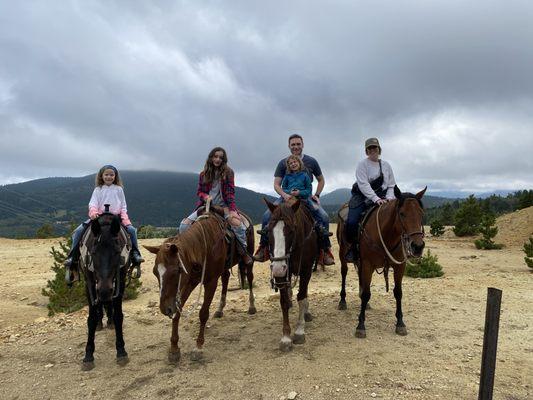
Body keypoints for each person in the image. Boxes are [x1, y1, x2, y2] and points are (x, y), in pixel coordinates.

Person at [254, 134, 335, 266]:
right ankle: (263, 247)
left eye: (298, 144)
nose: (296, 147)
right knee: (266, 216)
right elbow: (276, 184)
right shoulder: (282, 163)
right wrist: (285, 195)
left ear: (302, 145)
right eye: (293, 144)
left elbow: (321, 180)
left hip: (305, 197)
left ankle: (325, 250)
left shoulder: (312, 161)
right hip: (286, 197)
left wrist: (317, 195)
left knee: (324, 217)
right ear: (289, 146)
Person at [179, 147, 253, 265]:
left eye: (220, 157)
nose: (217, 159)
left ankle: (243, 252)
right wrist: (205, 197)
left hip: (224, 206)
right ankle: (187, 253)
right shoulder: (204, 174)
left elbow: (230, 193)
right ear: (211, 157)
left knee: (237, 225)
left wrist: (232, 210)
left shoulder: (228, 173)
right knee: (183, 226)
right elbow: (200, 192)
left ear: (223, 160)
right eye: (215, 156)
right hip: (206, 206)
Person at [64, 165, 144, 272]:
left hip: (116, 218)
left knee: (132, 231)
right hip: (99, 217)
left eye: (111, 175)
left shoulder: (119, 189)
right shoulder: (98, 189)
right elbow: (92, 204)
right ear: (102, 176)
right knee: (78, 232)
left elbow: (123, 206)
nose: (109, 177)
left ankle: (135, 254)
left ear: (115, 176)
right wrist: (94, 213)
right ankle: (72, 256)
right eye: (106, 174)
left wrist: (125, 219)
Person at [344, 138, 397, 262]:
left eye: (375, 147)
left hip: (384, 196)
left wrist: (389, 198)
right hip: (363, 195)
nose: (373, 150)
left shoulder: (386, 165)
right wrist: (375, 198)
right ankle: (352, 248)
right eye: (370, 148)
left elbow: (391, 185)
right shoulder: (362, 165)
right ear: (366, 151)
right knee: (351, 221)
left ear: (379, 149)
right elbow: (363, 185)